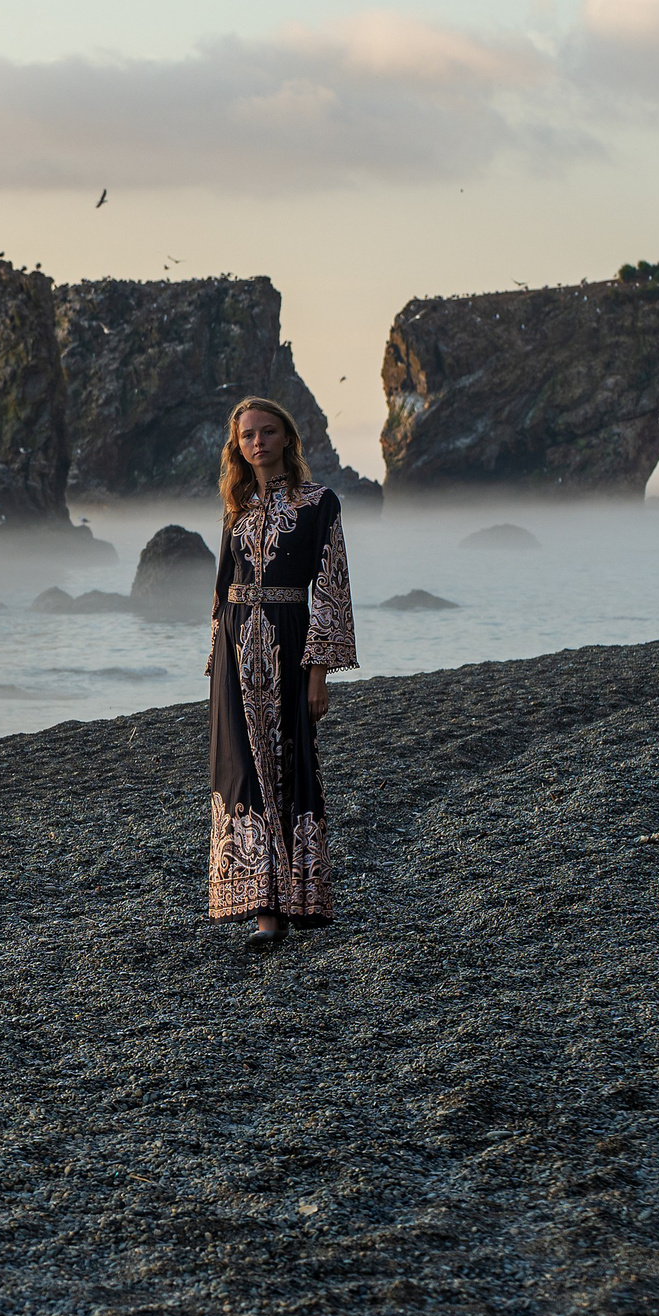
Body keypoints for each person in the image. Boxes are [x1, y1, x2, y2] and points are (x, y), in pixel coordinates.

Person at [204, 396, 357, 951]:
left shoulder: (320, 503)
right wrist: (215, 662)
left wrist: (319, 673)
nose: (258, 442)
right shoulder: (236, 506)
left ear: (287, 439)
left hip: (290, 646)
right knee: (241, 772)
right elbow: (222, 588)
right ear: (237, 446)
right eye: (247, 435)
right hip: (235, 656)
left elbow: (333, 588)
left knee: (292, 763)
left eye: (268, 432)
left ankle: (294, 899)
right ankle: (261, 907)